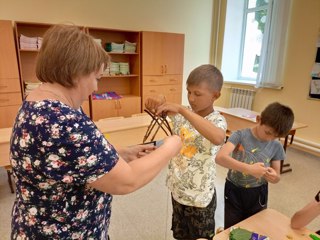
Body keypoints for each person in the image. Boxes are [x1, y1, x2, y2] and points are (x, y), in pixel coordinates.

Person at [9, 24, 182, 240]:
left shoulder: (38, 103)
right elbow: (126, 181)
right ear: (75, 73)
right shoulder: (65, 123)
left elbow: (68, 159)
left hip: (36, 226)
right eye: (96, 78)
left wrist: (119, 154)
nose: (96, 88)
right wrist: (170, 147)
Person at [145, 64, 227, 240]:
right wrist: (158, 100)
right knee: (180, 236)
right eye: (188, 92)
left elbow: (218, 137)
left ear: (215, 95)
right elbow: (162, 107)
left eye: (197, 94)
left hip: (200, 199)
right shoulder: (182, 115)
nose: (191, 98)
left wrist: (182, 109)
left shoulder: (217, 120)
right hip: (179, 191)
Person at [216, 102, 294, 229]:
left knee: (255, 226)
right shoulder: (240, 135)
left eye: (276, 136)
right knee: (232, 228)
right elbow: (220, 158)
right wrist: (249, 169)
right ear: (259, 119)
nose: (270, 139)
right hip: (234, 189)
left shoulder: (277, 145)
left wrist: (274, 177)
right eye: (268, 132)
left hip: (258, 192)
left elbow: (277, 175)